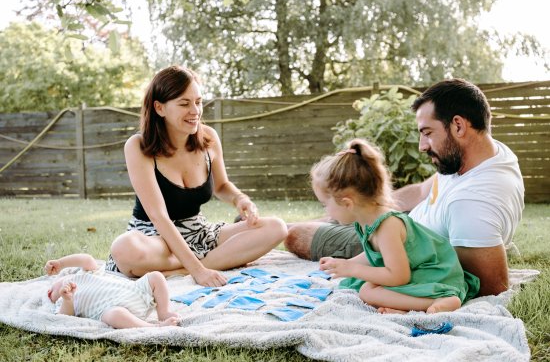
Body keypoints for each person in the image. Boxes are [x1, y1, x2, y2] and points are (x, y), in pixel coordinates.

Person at [285, 78, 524, 296]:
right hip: (406, 225)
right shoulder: (477, 159)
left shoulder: (473, 202)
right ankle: (317, 218)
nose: (422, 145)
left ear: (458, 126)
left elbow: (491, 285)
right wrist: (372, 206)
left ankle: (284, 225)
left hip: (400, 247)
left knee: (294, 235)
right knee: (334, 213)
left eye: (427, 133)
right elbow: (421, 192)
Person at [106, 65, 287, 287]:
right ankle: (204, 263)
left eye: (198, 102)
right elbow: (158, 216)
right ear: (159, 108)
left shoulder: (208, 137)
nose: (195, 111)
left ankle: (178, 269)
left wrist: (241, 199)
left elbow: (222, 186)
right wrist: (198, 272)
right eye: (184, 103)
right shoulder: (138, 146)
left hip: (199, 232)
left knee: (276, 227)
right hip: (155, 238)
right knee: (124, 249)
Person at [312, 138, 479, 313]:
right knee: (365, 284)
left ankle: (439, 299)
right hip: (415, 269)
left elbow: (398, 276)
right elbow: (375, 254)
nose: (326, 211)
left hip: (434, 273)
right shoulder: (366, 222)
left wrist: (352, 269)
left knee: (367, 291)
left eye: (325, 204)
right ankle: (404, 306)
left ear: (347, 203)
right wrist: (344, 263)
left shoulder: (387, 225)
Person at [45, 253, 180, 328]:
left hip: (136, 290)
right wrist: (68, 300)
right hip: (115, 308)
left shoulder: (87, 273)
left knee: (156, 276)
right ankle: (153, 327)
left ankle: (163, 312)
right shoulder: (63, 301)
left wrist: (61, 263)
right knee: (114, 315)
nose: (51, 292)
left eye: (51, 288)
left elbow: (86, 259)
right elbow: (65, 317)